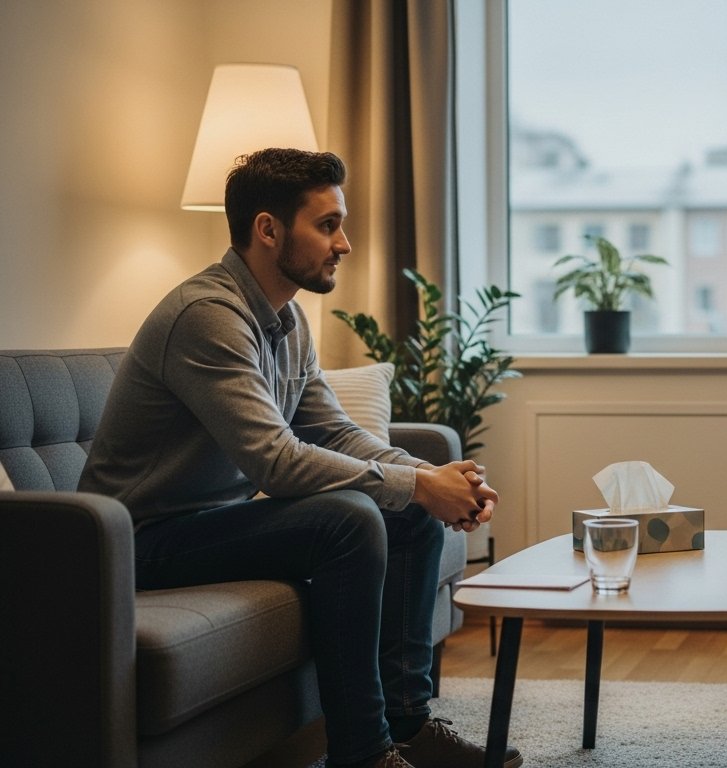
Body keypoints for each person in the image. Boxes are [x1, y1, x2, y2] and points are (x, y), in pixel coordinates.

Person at [80, 148, 523, 768]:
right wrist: (415, 484)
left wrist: (427, 478)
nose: (344, 242)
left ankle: (409, 725)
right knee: (351, 517)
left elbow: (335, 432)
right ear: (268, 229)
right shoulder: (208, 317)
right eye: (327, 225)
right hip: (139, 543)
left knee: (406, 510)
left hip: (208, 524)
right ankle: (362, 755)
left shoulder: (286, 320)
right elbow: (276, 462)